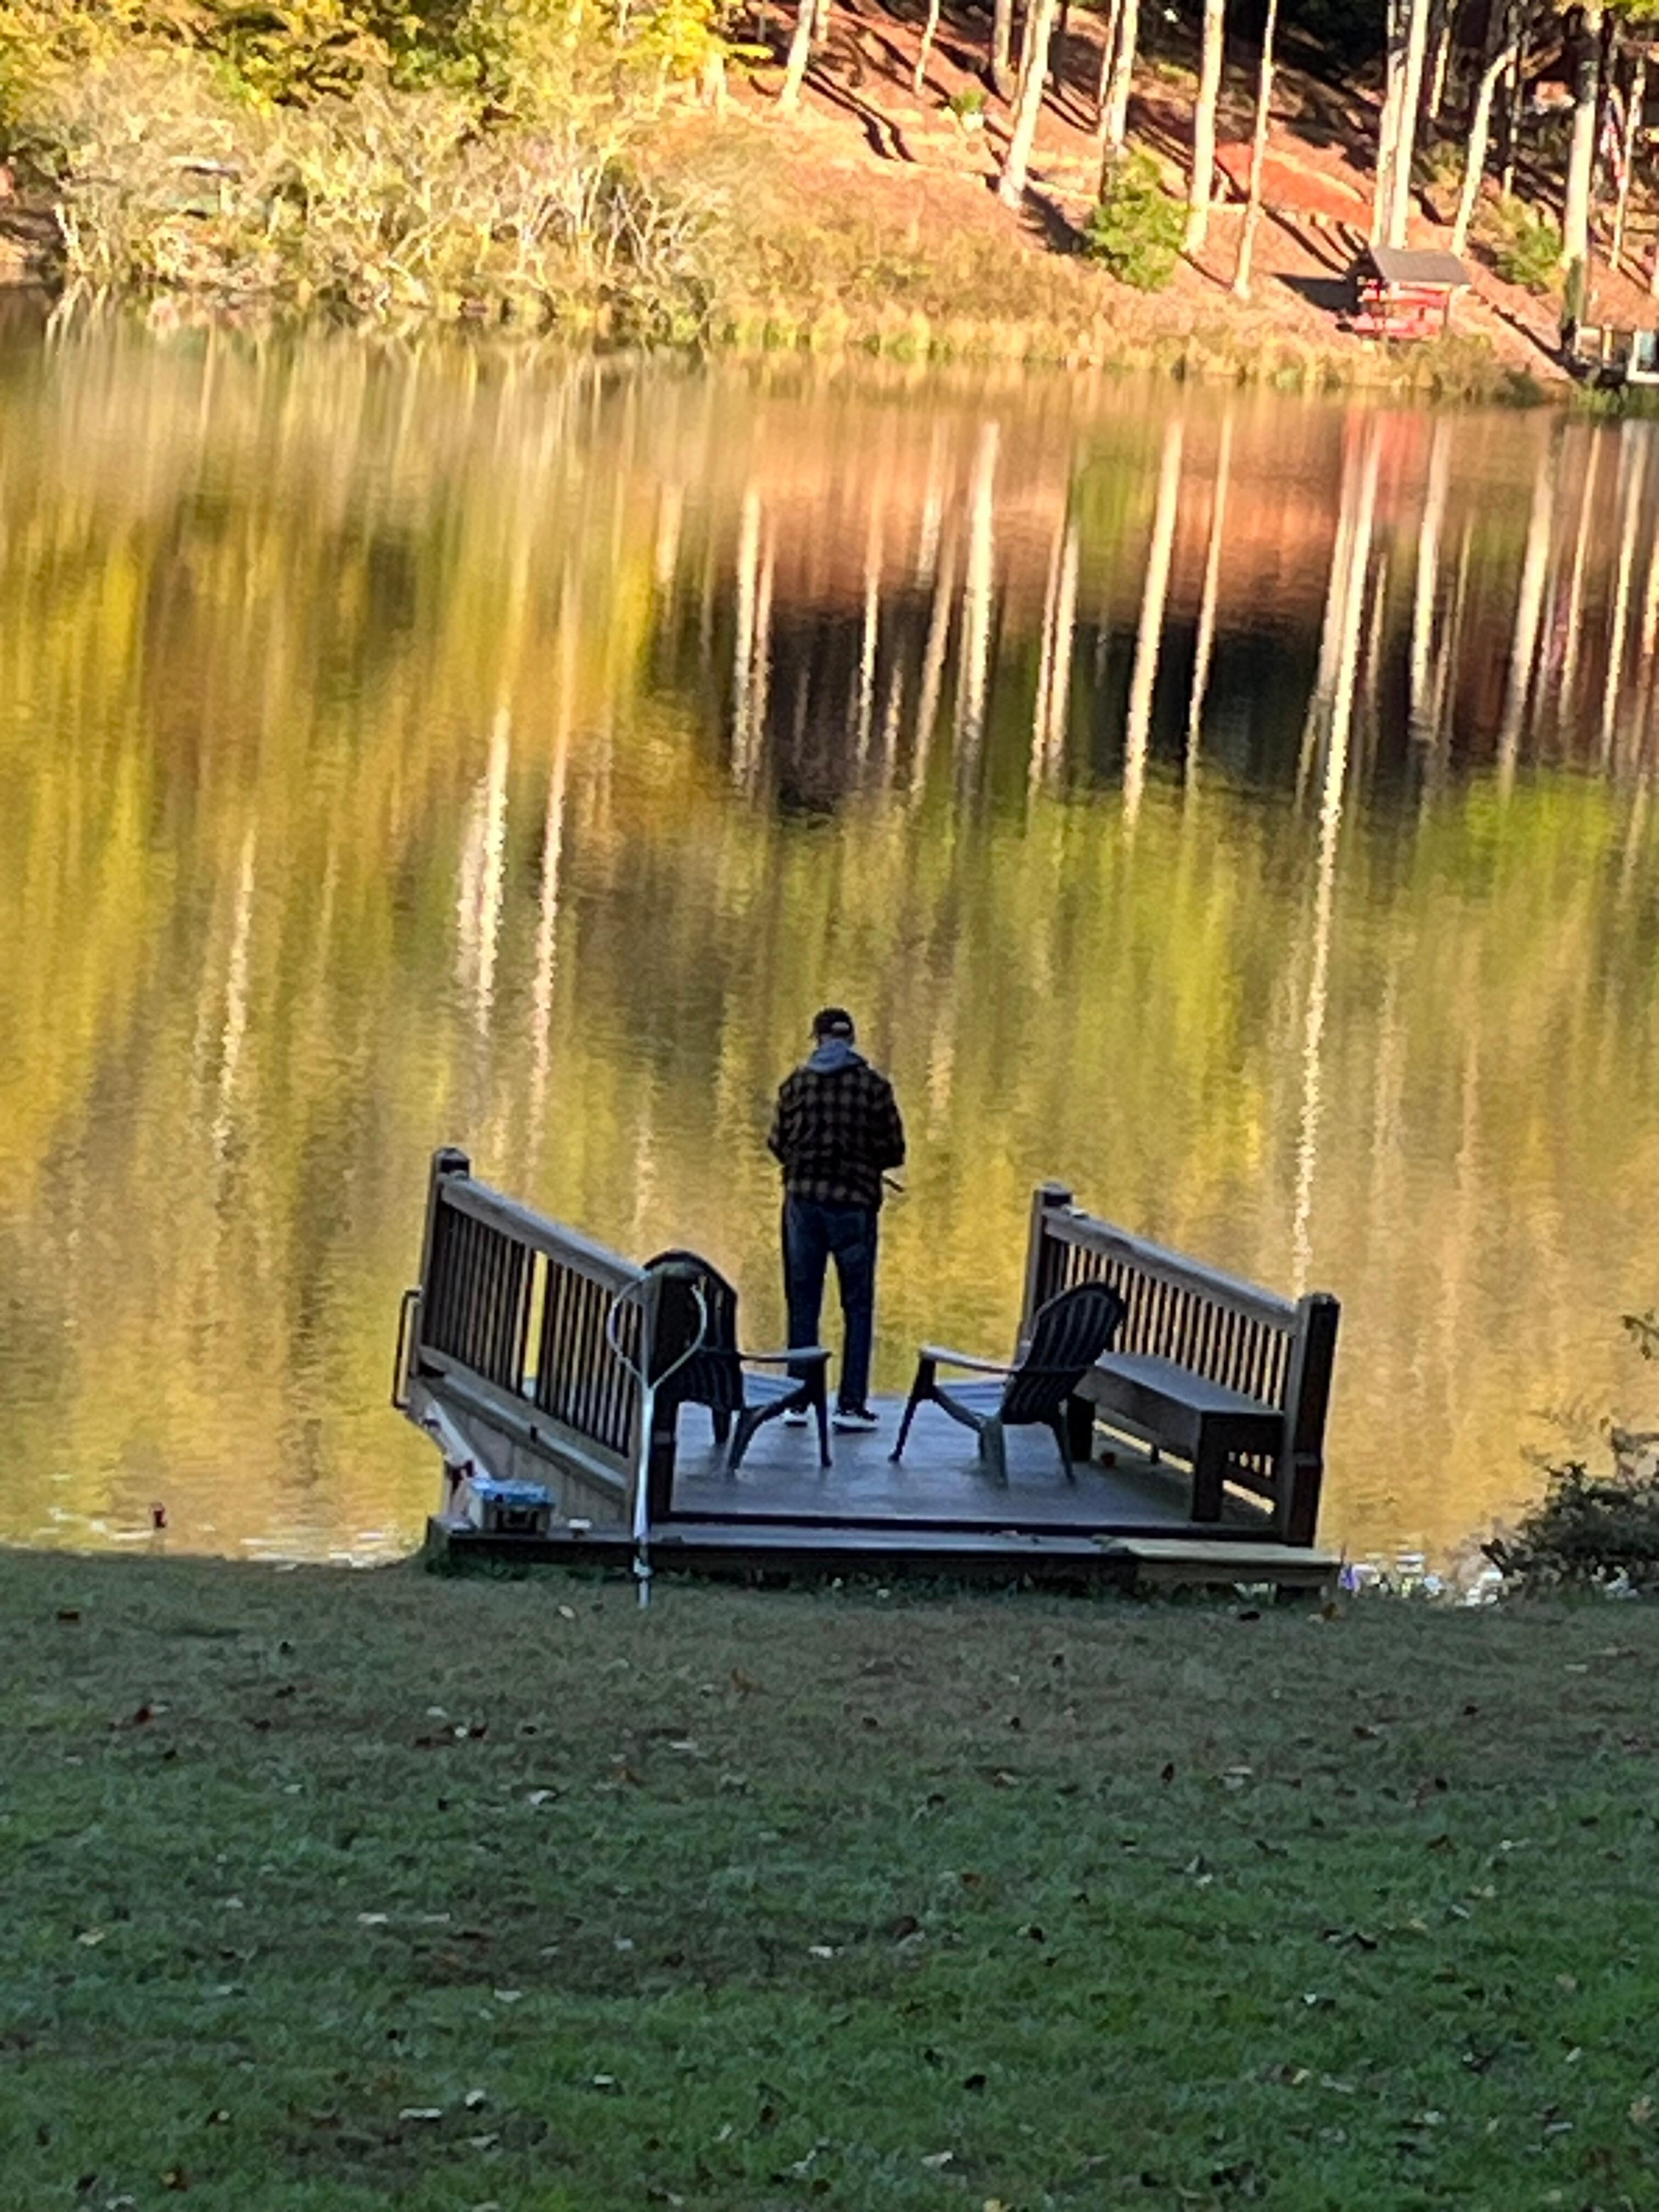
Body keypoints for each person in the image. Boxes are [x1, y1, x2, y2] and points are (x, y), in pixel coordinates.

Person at [767, 1007, 906, 1432]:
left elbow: (777, 1142)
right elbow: (895, 1151)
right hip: (855, 1210)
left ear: (819, 1039)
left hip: (804, 1207)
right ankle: (850, 1405)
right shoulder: (875, 1088)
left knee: (803, 1302)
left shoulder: (795, 1085)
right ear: (851, 1041)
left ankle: (797, 1400)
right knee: (858, 1307)